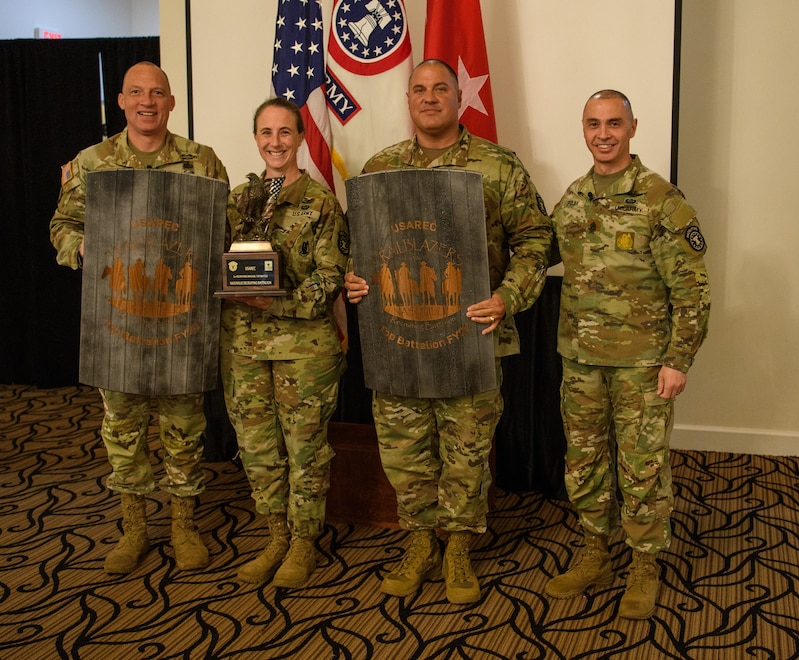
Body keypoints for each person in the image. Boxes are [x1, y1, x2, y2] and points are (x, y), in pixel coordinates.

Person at [344, 59, 553, 605]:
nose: (429, 97)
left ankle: (458, 546)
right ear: (408, 99)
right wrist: (355, 279)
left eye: (441, 88)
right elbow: (360, 247)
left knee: (465, 452)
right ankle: (418, 542)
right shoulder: (380, 168)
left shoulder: (497, 165)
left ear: (459, 97)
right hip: (397, 337)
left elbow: (537, 241)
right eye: (419, 89)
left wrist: (509, 297)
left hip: (471, 338)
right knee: (405, 451)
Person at [49, 62, 228, 575]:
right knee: (122, 429)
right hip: (118, 324)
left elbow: (224, 232)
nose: (147, 101)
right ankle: (133, 527)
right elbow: (62, 223)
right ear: (122, 102)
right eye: (136, 93)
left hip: (183, 323)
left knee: (184, 428)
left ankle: (183, 524)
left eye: (158, 93)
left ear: (172, 102)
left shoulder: (203, 161)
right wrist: (79, 246)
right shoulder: (93, 162)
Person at [544, 90, 710, 619]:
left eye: (614, 123)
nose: (603, 134)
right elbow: (535, 252)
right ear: (584, 128)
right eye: (593, 123)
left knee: (642, 466)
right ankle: (595, 549)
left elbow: (692, 290)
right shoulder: (572, 199)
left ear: (633, 127)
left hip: (643, 363)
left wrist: (678, 360)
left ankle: (644, 563)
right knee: (584, 461)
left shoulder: (663, 201)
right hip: (580, 359)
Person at [220, 98, 349, 588]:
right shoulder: (236, 201)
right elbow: (219, 261)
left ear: (299, 138)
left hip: (304, 349)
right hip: (242, 346)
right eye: (265, 132)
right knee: (256, 447)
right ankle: (275, 533)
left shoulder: (320, 203)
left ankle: (303, 542)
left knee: (305, 449)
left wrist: (274, 303)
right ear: (256, 138)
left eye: (284, 133)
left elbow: (330, 278)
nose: (274, 142)